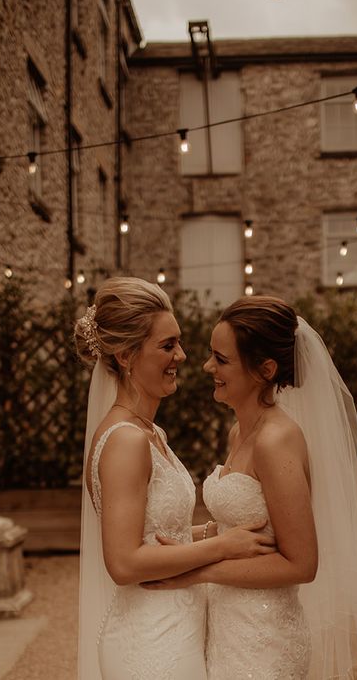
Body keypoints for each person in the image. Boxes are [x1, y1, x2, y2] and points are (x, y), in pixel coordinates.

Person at [144, 296, 357, 679]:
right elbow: (236, 528)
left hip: (265, 639)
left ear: (265, 369)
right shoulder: (239, 431)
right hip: (227, 626)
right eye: (211, 355)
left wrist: (200, 571)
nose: (207, 367)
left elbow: (301, 564)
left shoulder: (277, 441)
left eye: (221, 360)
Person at [75, 277, 276, 680]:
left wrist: (211, 530)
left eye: (179, 343)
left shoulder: (150, 433)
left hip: (172, 630)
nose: (182, 356)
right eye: (167, 346)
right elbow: (124, 561)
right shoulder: (126, 442)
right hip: (149, 644)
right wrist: (221, 546)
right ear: (127, 356)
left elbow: (157, 531)